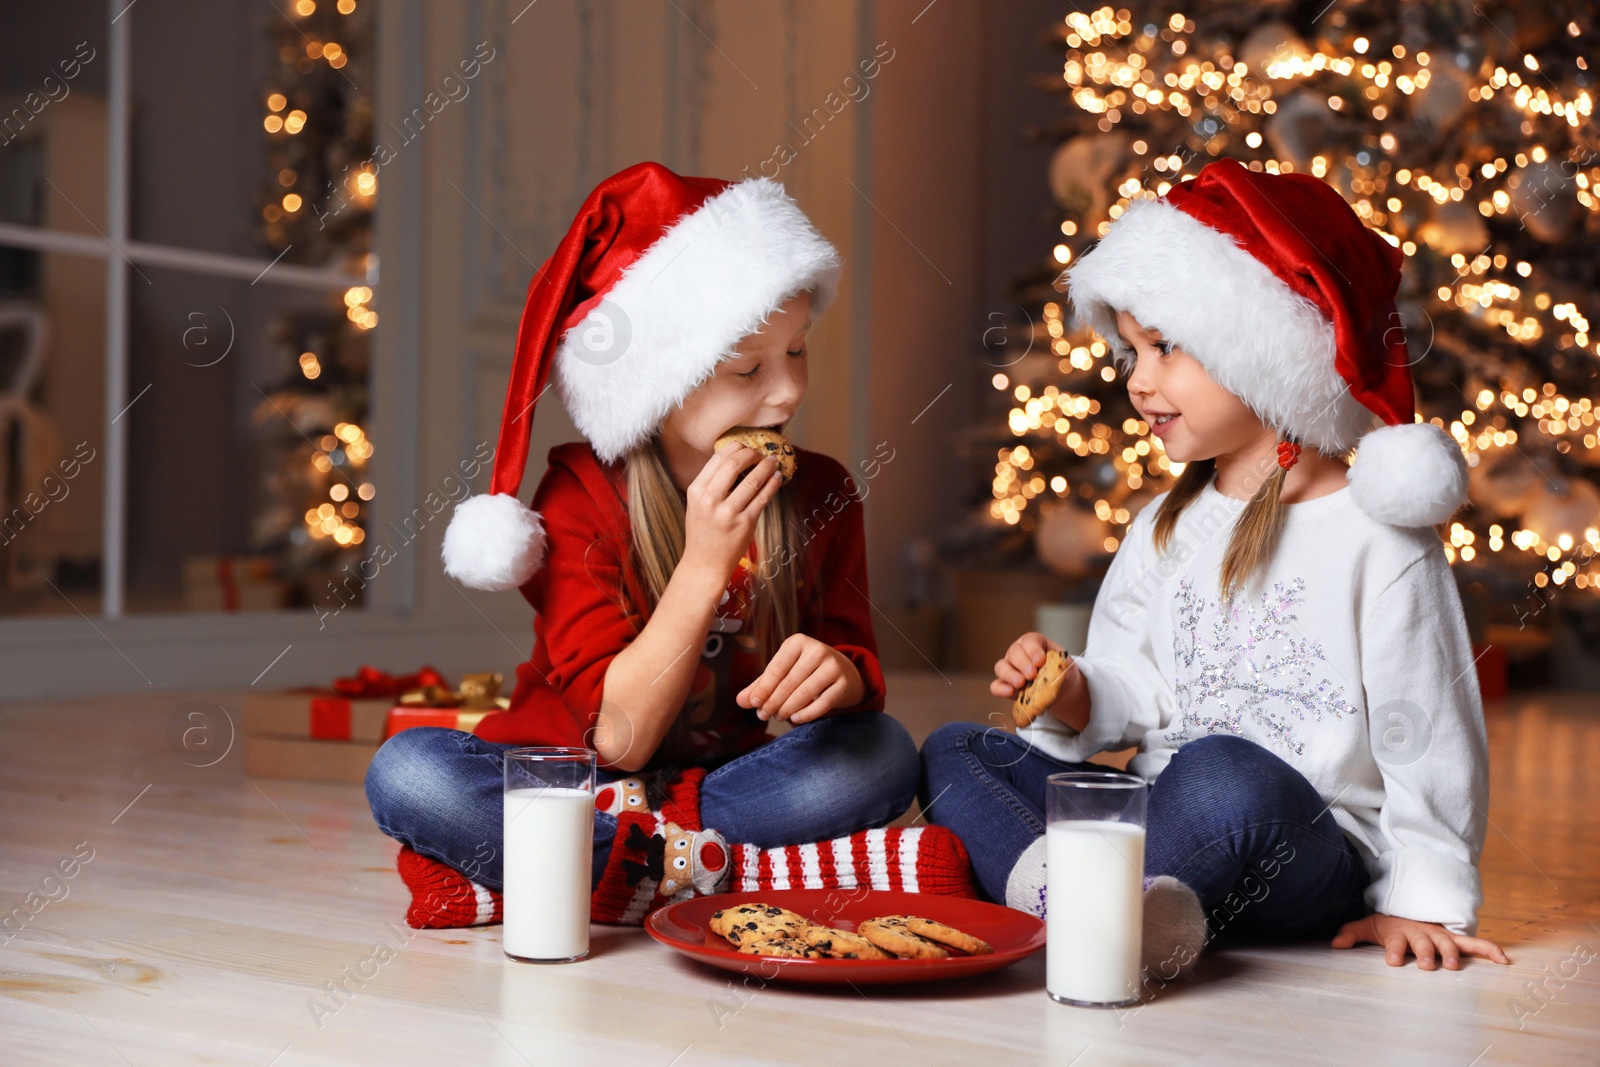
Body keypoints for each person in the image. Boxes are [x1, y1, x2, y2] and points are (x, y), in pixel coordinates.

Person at [920, 158, 1510, 982]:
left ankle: (1072, 900)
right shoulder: (1167, 523)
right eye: (1131, 349)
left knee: (1223, 773)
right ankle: (1108, 909)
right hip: (1160, 817)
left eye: (1166, 347)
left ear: (1269, 354)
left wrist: (1423, 896)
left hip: (1295, 842)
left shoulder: (1379, 536)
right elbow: (1136, 688)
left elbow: (1428, 733)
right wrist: (1076, 692)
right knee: (959, 751)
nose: (1139, 380)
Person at [366, 162, 972, 929]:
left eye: (798, 352)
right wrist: (704, 563)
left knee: (880, 752)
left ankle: (619, 872)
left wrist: (841, 678)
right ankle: (732, 873)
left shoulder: (820, 492)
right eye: (747, 367)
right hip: (582, 781)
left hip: (735, 781)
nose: (785, 392)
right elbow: (618, 739)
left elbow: (854, 666)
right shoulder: (580, 496)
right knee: (411, 772)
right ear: (660, 378)